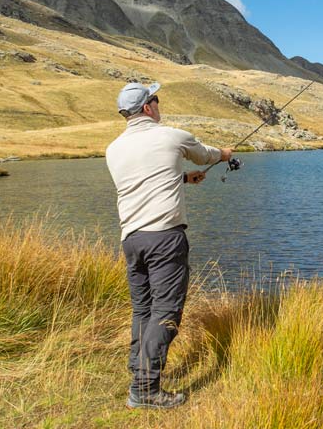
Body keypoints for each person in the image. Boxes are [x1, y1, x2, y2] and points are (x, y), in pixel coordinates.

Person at [105, 81, 232, 410]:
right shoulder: (172, 136)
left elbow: (143, 179)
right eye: (156, 100)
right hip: (164, 238)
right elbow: (205, 154)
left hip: (132, 240)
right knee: (166, 310)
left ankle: (138, 370)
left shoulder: (113, 149)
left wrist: (183, 179)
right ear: (147, 108)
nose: (159, 105)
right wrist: (225, 154)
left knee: (143, 309)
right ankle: (145, 389)